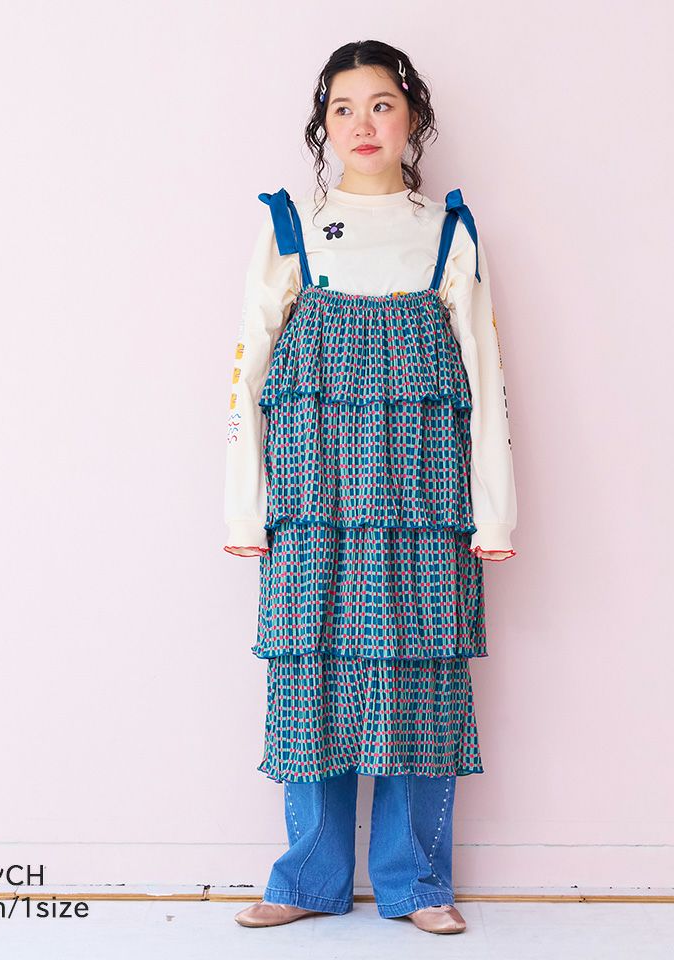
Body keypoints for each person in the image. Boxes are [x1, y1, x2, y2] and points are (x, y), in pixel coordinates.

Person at [222, 40, 517, 936]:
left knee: (419, 679)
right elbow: (246, 371)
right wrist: (244, 504)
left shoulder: (448, 233)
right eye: (343, 108)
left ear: (412, 117)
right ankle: (306, 877)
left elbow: (486, 373)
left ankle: (416, 881)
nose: (363, 124)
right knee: (309, 675)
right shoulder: (294, 228)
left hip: (425, 500)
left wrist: (495, 511)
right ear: (323, 124)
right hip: (311, 496)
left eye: (382, 105)